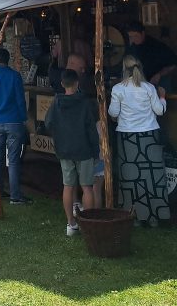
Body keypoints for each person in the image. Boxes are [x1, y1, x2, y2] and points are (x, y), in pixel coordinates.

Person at [108, 54, 169, 227]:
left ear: (123, 69)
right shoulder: (149, 88)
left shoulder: (118, 89)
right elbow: (159, 111)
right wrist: (163, 97)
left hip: (127, 136)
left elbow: (113, 113)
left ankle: (134, 217)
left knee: (131, 179)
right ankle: (155, 217)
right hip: (150, 135)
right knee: (152, 177)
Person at [44, 69, 102, 236]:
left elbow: (48, 123)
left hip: (64, 149)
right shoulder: (85, 103)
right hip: (84, 150)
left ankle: (71, 224)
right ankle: (88, 225)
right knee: (87, 187)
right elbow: (92, 130)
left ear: (62, 84)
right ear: (77, 84)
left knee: (68, 187)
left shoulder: (56, 102)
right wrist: (96, 150)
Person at [0, 47, 31, 205]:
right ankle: (15, 196)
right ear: (7, 59)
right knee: (12, 160)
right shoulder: (14, 76)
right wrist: (24, 117)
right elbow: (20, 99)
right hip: (13, 121)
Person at [124, 21, 177, 87]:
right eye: (131, 37)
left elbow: (174, 64)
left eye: (136, 36)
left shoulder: (157, 46)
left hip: (158, 85)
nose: (134, 39)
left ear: (143, 33)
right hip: (139, 86)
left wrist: (159, 74)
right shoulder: (131, 49)